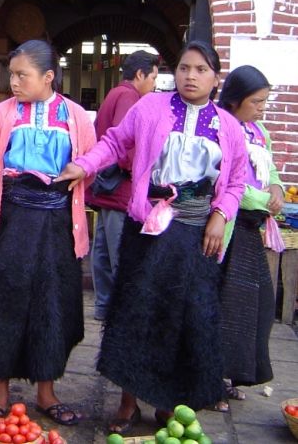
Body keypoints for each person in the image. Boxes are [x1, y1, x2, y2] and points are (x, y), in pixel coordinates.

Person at [58, 40, 247, 434]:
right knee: (136, 315)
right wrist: (83, 165)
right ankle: (127, 403)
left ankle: (167, 402)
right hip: (147, 230)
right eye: (183, 68)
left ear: (215, 77)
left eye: (199, 70)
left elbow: (237, 182)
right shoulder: (151, 108)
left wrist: (220, 215)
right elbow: (114, 141)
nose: (189, 76)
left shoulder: (229, 127)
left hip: (197, 237)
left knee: (180, 320)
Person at [0, 39, 96, 425]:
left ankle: (46, 393)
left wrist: (71, 175)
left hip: (57, 225)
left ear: (48, 77)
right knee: (5, 302)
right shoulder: (0, 116)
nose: (14, 81)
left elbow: (90, 163)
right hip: (12, 221)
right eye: (12, 74)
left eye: (23, 75)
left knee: (52, 304)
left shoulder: (76, 117)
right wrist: (12, 197)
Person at [212, 65, 282, 411]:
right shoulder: (224, 129)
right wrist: (263, 203)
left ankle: (234, 375)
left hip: (251, 233)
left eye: (264, 101)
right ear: (236, 100)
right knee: (228, 307)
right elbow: (228, 183)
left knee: (257, 308)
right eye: (256, 101)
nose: (261, 108)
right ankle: (214, 379)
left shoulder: (259, 132)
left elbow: (269, 171)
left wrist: (277, 190)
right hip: (230, 230)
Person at [88, 50, 159, 321]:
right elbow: (123, 142)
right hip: (119, 188)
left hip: (106, 187)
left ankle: (104, 306)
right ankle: (118, 309)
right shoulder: (129, 97)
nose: (153, 84)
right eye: (152, 78)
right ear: (139, 74)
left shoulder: (115, 94)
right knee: (119, 251)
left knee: (103, 251)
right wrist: (140, 169)